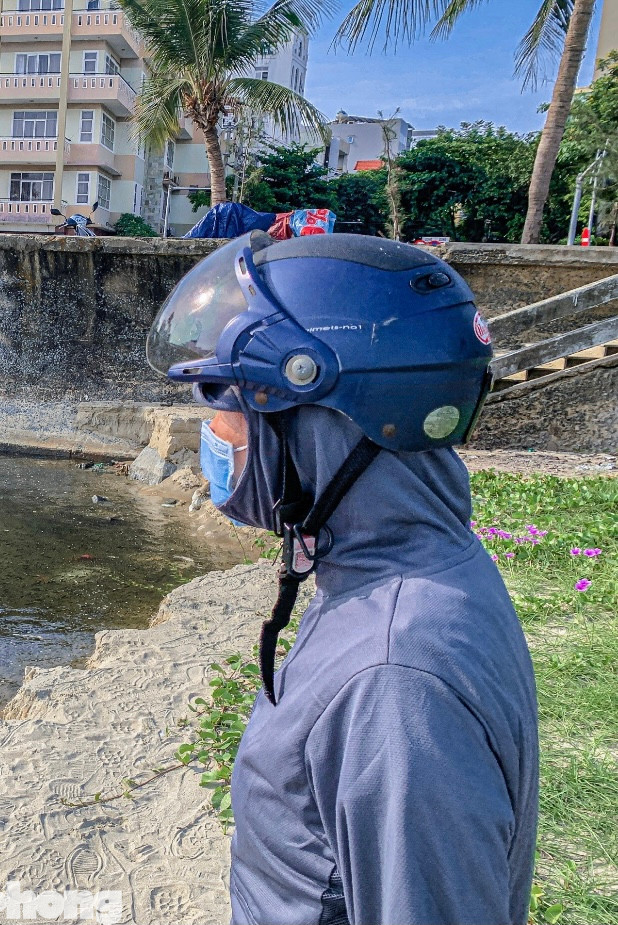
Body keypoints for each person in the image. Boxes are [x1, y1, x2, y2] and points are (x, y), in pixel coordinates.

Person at [147, 232, 539, 925]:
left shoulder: (396, 682)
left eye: (227, 399)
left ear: (320, 418)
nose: (214, 431)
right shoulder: (400, 567)